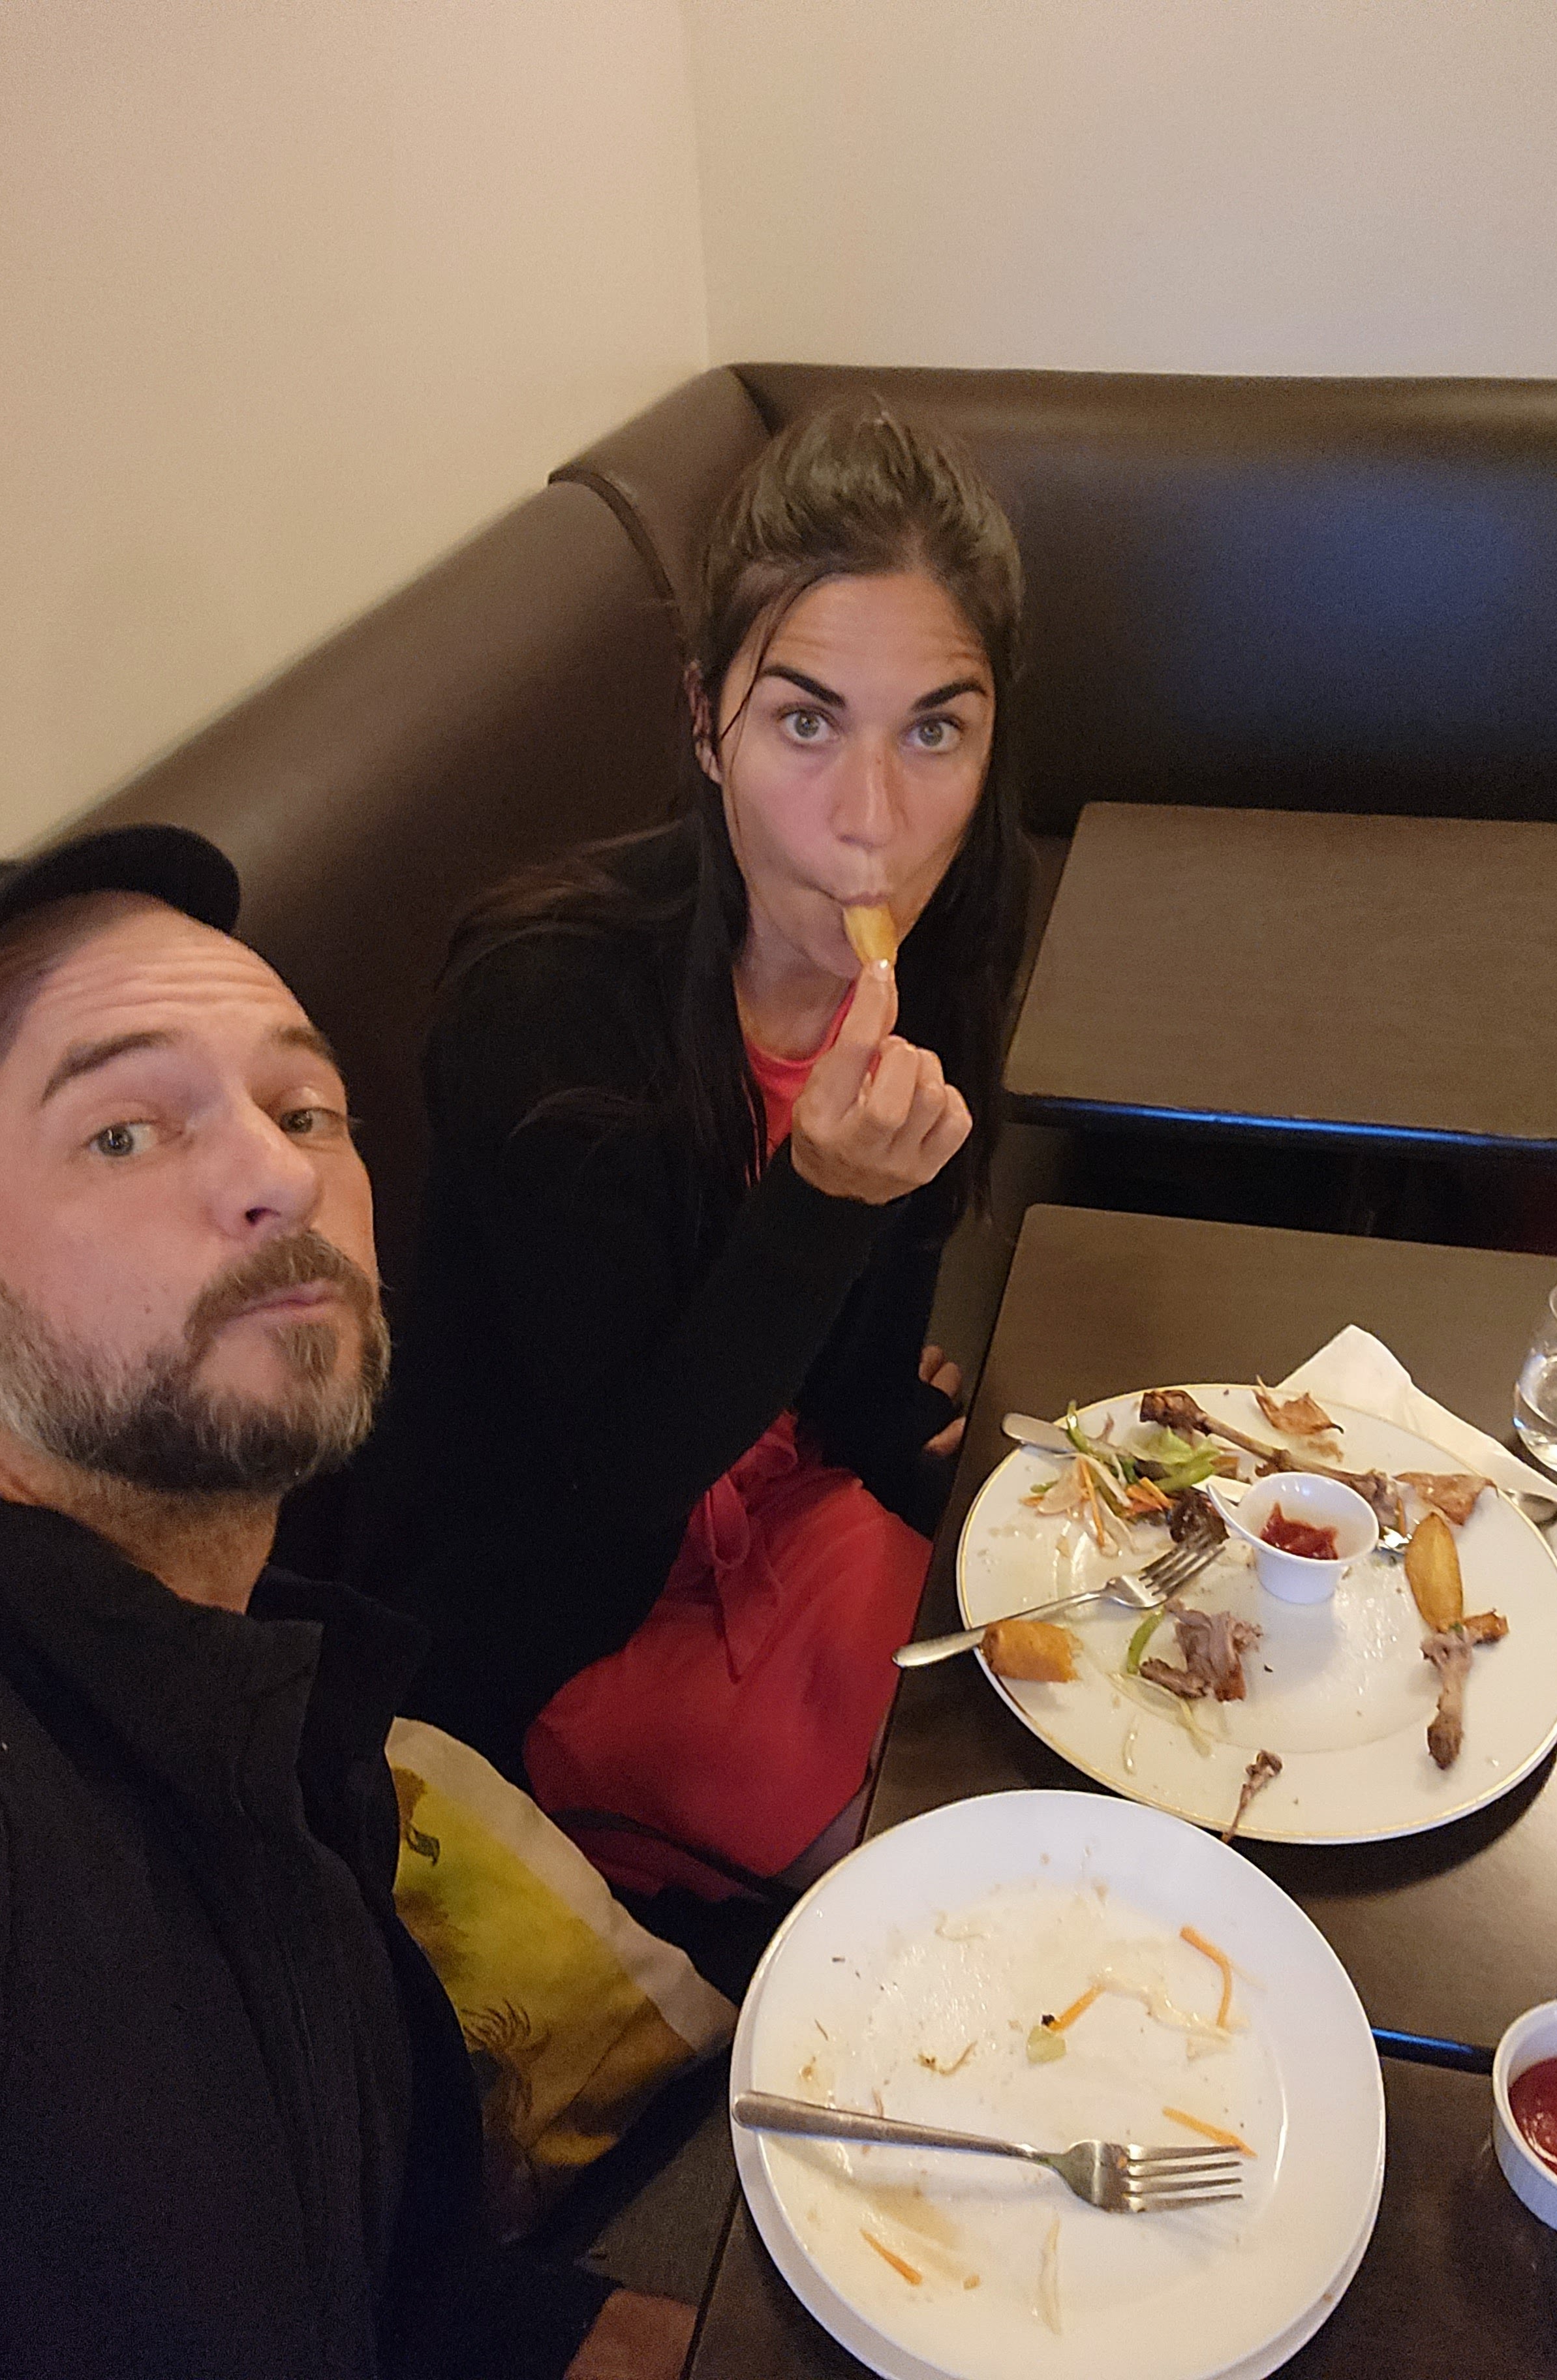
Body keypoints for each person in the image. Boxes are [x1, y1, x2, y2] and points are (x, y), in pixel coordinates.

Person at [0, 827, 622, 2379]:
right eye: (124, 1132)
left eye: (305, 1107)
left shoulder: (246, 1684)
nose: (280, 1174)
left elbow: (376, 2272)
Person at [359, 404, 1030, 1896]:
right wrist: (822, 1201)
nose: (871, 824)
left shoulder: (955, 940)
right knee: (952, 1888)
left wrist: (959, 1459)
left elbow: (854, 1378)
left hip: (791, 1511)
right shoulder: (540, 1005)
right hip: (572, 1608)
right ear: (704, 722)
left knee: (1075, 1734)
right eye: (805, 722)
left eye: (935, 729)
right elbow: (613, 1478)